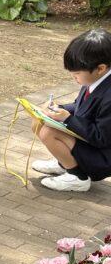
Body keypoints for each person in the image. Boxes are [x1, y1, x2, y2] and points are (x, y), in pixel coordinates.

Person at [32, 28, 111, 192]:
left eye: (77, 74)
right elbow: (79, 106)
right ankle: (65, 163)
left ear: (101, 68)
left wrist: (67, 119)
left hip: (102, 157)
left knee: (49, 131)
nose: (74, 77)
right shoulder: (95, 80)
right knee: (39, 122)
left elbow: (101, 138)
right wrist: (58, 109)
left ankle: (78, 177)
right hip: (89, 144)